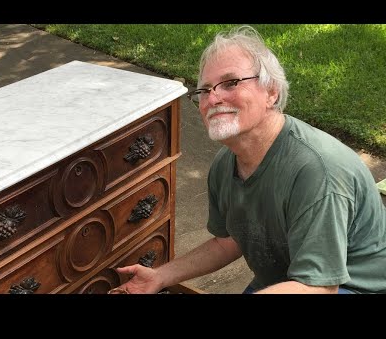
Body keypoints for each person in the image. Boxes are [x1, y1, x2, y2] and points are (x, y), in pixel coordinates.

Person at [113, 25, 386, 294]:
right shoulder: (225, 165)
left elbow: (320, 286)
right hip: (288, 278)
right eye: (204, 90)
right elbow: (229, 241)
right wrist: (160, 276)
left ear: (272, 92)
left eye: (231, 82)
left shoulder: (316, 171)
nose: (214, 98)